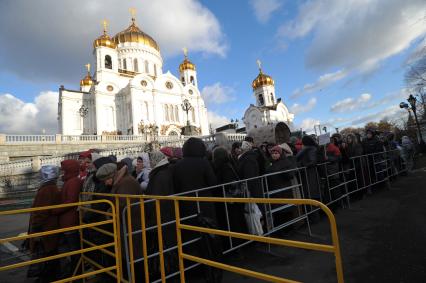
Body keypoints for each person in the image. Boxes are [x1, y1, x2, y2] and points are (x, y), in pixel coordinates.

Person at [96, 162, 143, 282]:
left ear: (112, 176)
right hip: (128, 226)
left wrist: (110, 213)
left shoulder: (125, 183)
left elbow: (124, 206)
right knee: (129, 256)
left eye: (106, 180)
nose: (106, 183)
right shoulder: (121, 181)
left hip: (132, 226)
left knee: (134, 258)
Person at [145, 151, 177, 279]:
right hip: (165, 216)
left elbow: (157, 199)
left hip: (162, 217)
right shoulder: (163, 172)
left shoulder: (160, 175)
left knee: (166, 246)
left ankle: (169, 272)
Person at [27, 165, 61, 282]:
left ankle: (47, 278)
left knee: (47, 255)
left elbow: (41, 212)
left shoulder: (47, 189)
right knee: (49, 254)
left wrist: (36, 229)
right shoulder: (51, 187)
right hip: (49, 227)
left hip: (45, 228)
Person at [212, 147, 247, 247]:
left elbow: (227, 183)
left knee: (233, 222)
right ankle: (242, 243)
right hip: (235, 199)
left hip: (230, 200)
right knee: (238, 220)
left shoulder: (223, 167)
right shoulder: (229, 164)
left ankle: (238, 245)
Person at [53, 159, 82, 278]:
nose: (62, 172)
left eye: (64, 169)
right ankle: (72, 272)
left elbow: (71, 201)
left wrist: (54, 210)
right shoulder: (70, 180)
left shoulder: (73, 182)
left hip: (70, 222)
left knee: (74, 250)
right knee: (69, 249)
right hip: (67, 222)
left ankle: (76, 273)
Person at [265, 145, 298, 229]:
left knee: (286, 210)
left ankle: (289, 228)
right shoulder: (269, 163)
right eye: (273, 153)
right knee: (278, 211)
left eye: (276, 153)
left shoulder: (286, 162)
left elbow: (290, 174)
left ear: (280, 153)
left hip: (284, 190)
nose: (274, 155)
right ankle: (280, 229)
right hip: (274, 190)